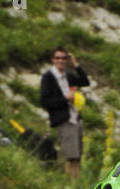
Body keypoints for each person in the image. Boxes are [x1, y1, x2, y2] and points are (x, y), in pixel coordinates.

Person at [39, 46, 89, 180]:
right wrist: (64, 99)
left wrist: (76, 65)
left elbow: (85, 81)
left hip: (75, 119)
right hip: (63, 120)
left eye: (63, 58)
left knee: (77, 157)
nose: (60, 61)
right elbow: (44, 101)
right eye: (57, 58)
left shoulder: (67, 75)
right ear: (52, 60)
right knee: (71, 157)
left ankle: (75, 185)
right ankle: (70, 185)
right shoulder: (48, 77)